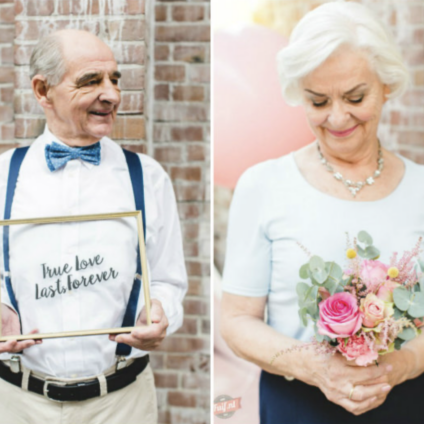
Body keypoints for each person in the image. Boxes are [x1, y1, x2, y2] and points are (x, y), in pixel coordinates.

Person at [220, 2, 424, 423]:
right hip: (297, 408)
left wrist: (399, 365)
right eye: (317, 101)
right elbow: (238, 321)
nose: (337, 117)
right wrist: (315, 366)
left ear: (386, 84)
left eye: (355, 97)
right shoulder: (261, 186)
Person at [0, 29, 187, 424]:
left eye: (114, 80)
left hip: (123, 404)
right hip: (18, 403)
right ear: (42, 90)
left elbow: (169, 280)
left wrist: (160, 310)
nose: (113, 95)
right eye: (91, 81)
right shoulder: (2, 178)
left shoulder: (148, 178)